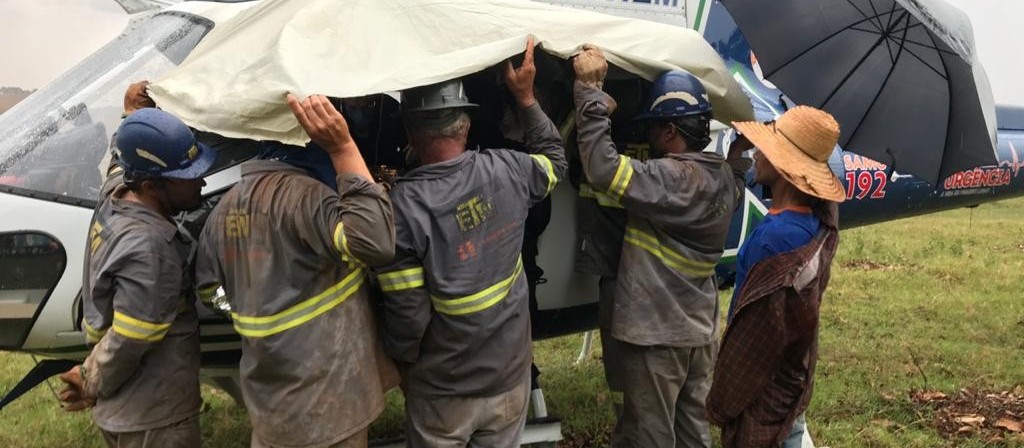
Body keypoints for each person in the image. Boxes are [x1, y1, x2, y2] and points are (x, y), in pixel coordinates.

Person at [374, 37, 566, 448]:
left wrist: (404, 366)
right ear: (466, 124)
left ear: (409, 129)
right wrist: (527, 97)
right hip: (510, 379)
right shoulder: (508, 169)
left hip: (444, 392)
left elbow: (408, 316)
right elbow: (555, 160)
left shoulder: (401, 208)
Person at [194, 93, 397, 448]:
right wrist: (343, 147)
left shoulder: (224, 210)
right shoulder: (306, 197)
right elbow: (376, 242)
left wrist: (250, 308)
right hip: (327, 406)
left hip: (273, 405)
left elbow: (208, 290)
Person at [572, 45, 750, 448]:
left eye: (652, 127)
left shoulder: (670, 178)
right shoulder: (721, 175)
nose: (646, 136)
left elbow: (602, 169)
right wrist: (738, 156)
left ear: (670, 131)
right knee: (692, 432)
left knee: (647, 437)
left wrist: (589, 94)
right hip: (697, 334)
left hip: (657, 337)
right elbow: (737, 185)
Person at [56, 84, 215, 448]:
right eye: (188, 176)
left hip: (127, 408)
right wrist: (89, 379)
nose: (201, 181)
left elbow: (120, 159)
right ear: (151, 185)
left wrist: (132, 115)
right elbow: (131, 337)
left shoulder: (116, 193)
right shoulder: (151, 249)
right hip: (153, 417)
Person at [706, 106, 844, 448]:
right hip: (790, 377)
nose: (756, 152)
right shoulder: (815, 222)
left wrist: (721, 404)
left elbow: (755, 341)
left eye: (766, 147)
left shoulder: (775, 239)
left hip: (763, 391)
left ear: (785, 167)